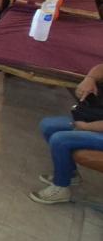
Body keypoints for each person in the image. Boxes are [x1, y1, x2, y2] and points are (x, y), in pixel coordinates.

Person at [29, 63, 103, 205]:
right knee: (49, 125)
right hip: (96, 120)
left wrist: (87, 127)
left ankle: (61, 188)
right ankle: (70, 173)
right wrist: (90, 78)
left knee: (60, 140)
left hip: (97, 127)